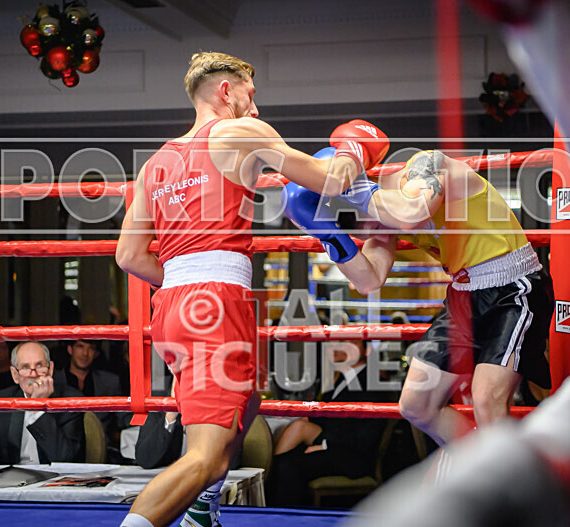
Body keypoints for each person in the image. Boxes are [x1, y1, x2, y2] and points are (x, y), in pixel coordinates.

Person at [114, 51, 385, 527]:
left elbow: (130, 257)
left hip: (176, 305)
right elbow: (329, 182)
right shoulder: (241, 132)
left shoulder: (154, 163)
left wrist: (188, 279)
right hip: (214, 306)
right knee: (202, 456)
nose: (255, 108)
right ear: (226, 90)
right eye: (249, 94)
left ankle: (202, 511)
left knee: (248, 402)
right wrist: (353, 146)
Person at [283, 141, 554, 446]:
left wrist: (347, 186)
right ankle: (477, 463)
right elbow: (369, 280)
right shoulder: (383, 223)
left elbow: (412, 211)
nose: (364, 234)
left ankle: (510, 489)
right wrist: (330, 236)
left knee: (488, 401)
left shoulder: (425, 165)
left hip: (512, 285)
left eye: (348, 221)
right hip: (463, 296)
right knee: (416, 404)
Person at [267, 339, 391, 507]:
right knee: (285, 458)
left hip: (352, 456)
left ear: (365, 350)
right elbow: (327, 416)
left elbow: (366, 434)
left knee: (287, 466)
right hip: (336, 446)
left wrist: (325, 444)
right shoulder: (341, 379)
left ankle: (282, 516)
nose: (340, 348)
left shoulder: (372, 382)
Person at [0, 341, 85, 471]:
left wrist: (38, 408)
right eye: (25, 367)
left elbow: (64, 458)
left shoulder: (71, 401)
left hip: (55, 482)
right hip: (11, 482)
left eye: (39, 366)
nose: (33, 374)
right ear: (15, 375)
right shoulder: (1, 401)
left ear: (50, 369)